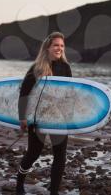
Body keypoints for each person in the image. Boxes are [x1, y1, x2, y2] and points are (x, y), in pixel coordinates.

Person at [16, 31, 72, 195]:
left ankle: (53, 191)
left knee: (60, 155)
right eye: (56, 45)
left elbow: (68, 93)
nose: (59, 48)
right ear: (48, 47)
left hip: (59, 117)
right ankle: (19, 184)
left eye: (62, 46)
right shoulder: (37, 68)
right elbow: (24, 93)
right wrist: (22, 118)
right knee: (34, 153)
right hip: (38, 117)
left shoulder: (66, 67)